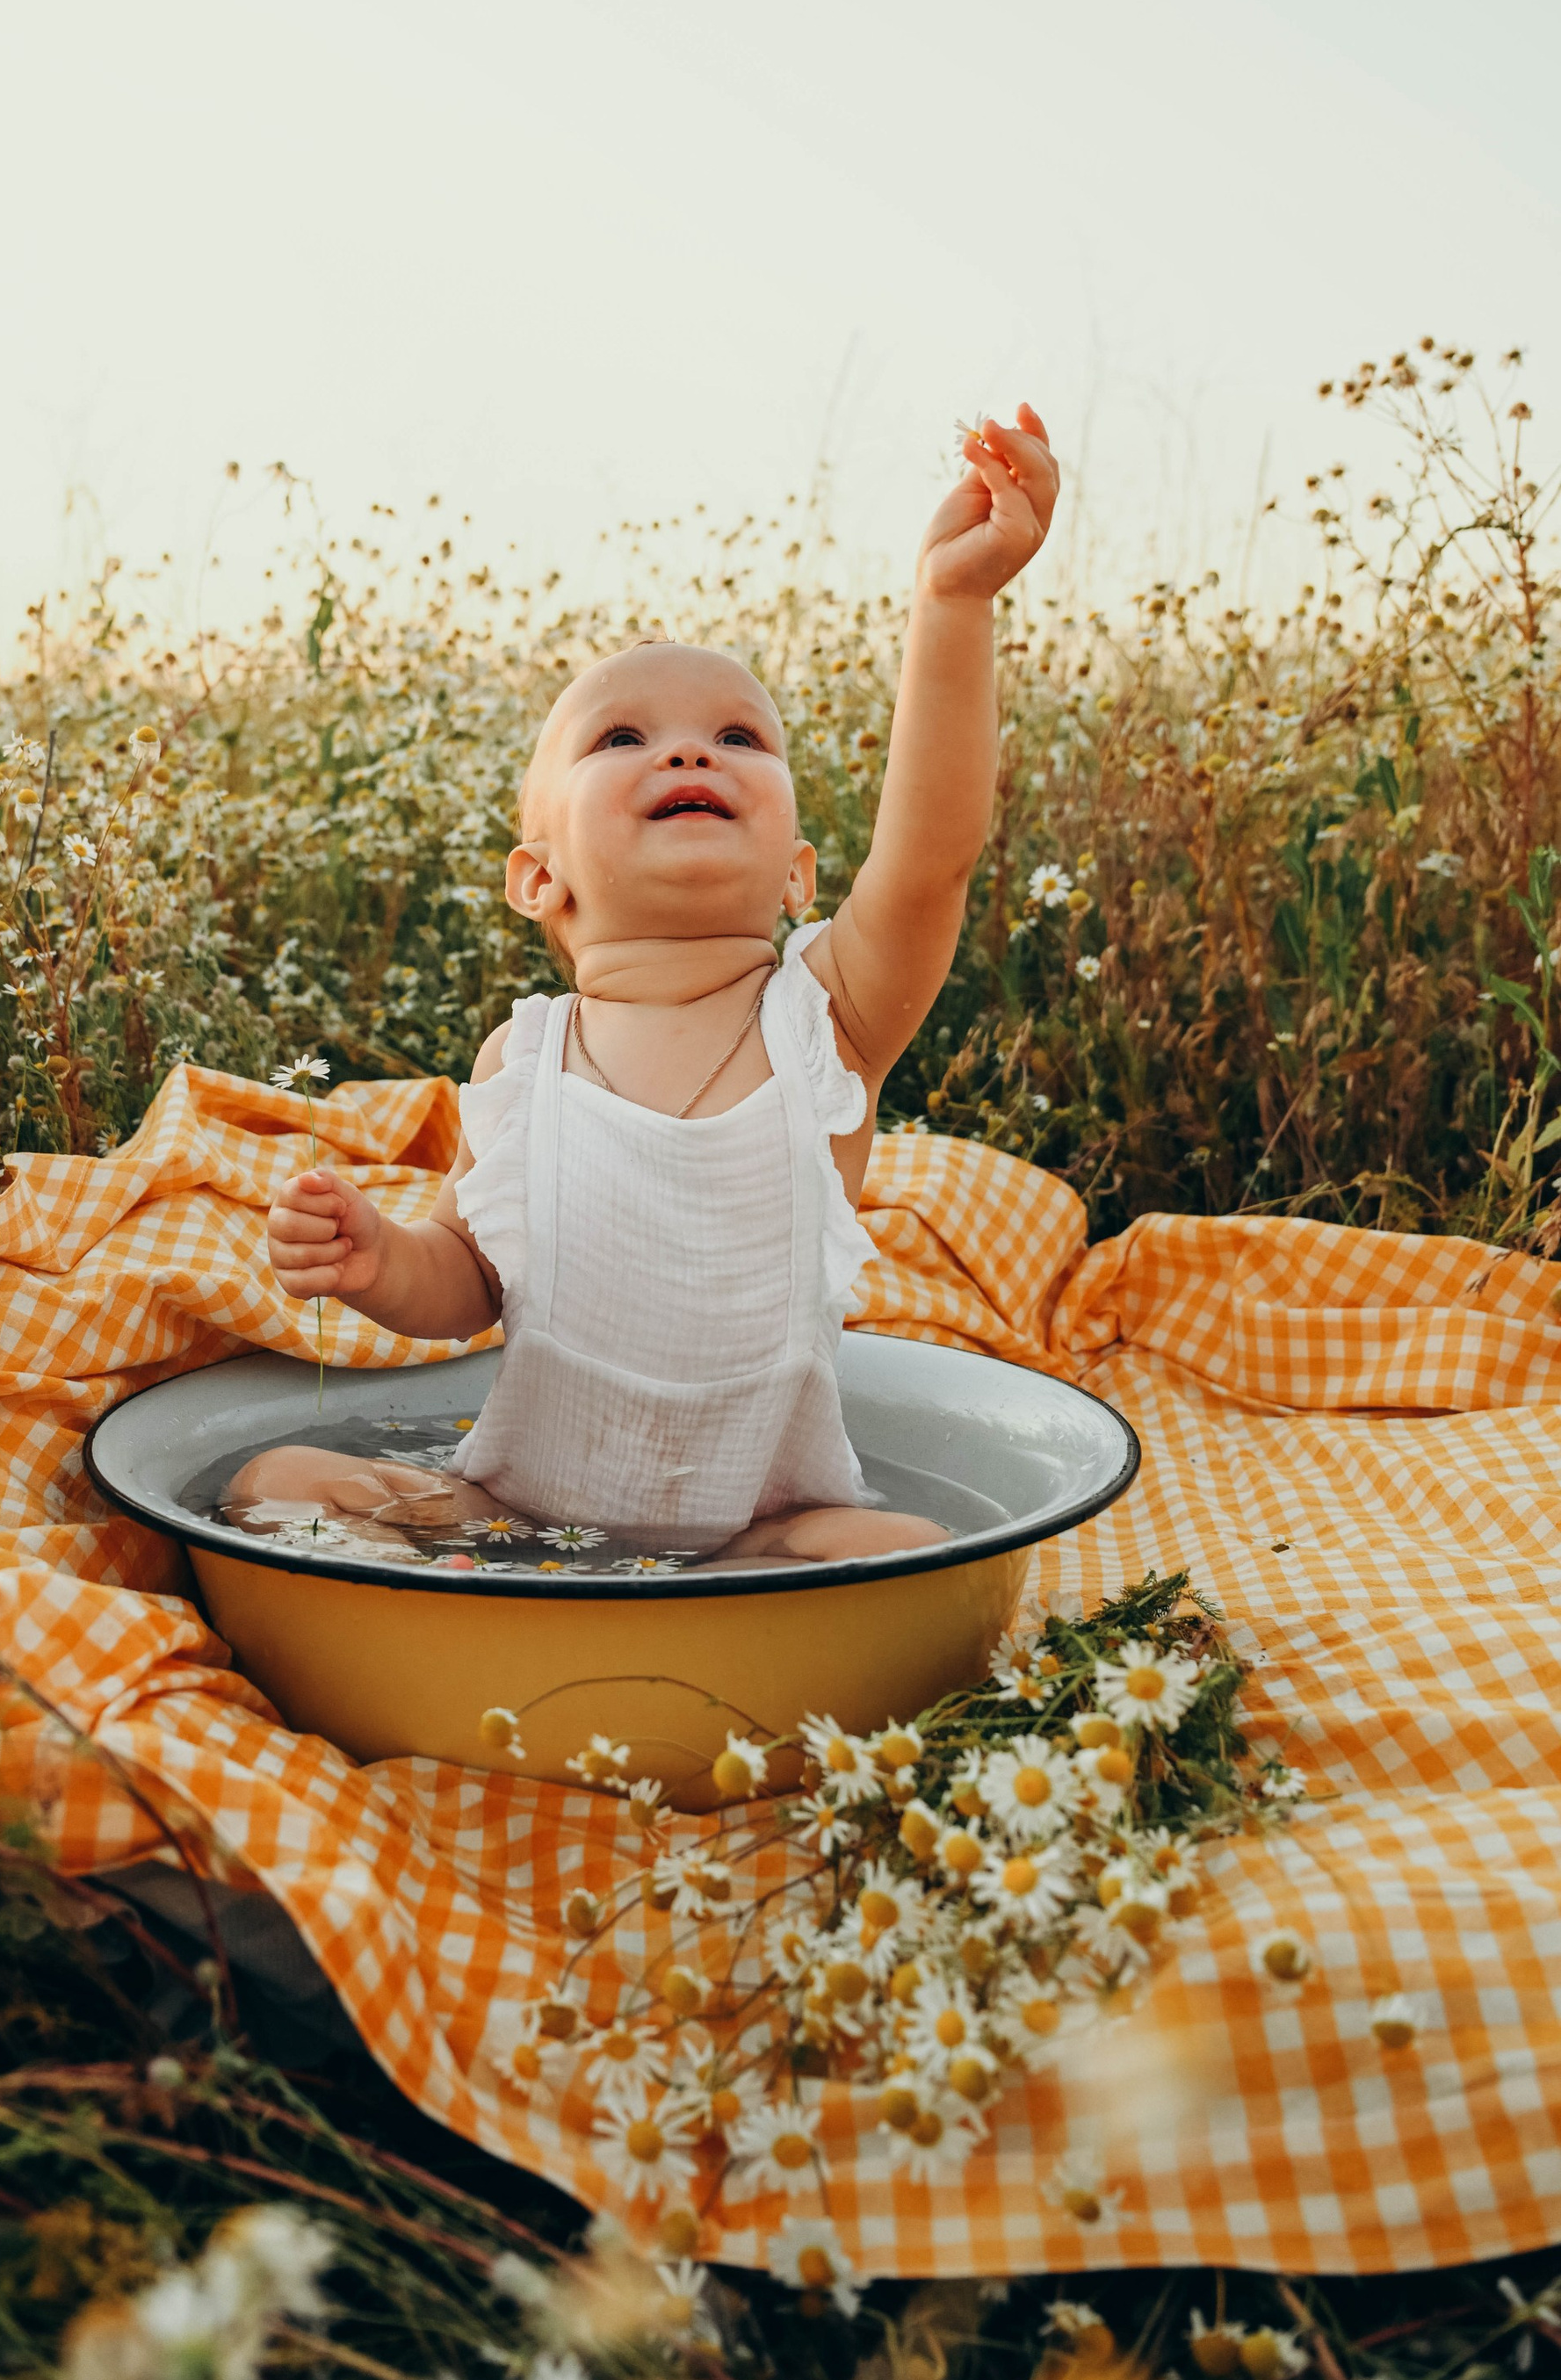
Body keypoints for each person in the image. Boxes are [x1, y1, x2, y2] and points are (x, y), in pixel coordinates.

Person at [227, 407, 1059, 1566]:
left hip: (767, 1528)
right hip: (520, 1515)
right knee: (277, 1481)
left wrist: (953, 606)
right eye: (623, 738)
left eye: (737, 736)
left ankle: (688, 1609)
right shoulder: (526, 1063)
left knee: (898, 1547)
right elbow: (467, 1275)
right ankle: (491, 1590)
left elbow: (930, 860)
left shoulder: (825, 1021)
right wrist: (378, 1263)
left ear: (798, 877)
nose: (688, 752)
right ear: (539, 876)